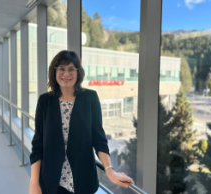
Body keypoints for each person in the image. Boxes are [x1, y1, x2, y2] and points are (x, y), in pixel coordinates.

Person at [29, 50, 135, 194]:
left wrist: (110, 171)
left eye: (71, 69)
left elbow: (99, 139)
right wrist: (34, 184)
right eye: (61, 68)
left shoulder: (90, 98)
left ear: (78, 72)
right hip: (51, 182)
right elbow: (38, 144)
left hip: (83, 182)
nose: (66, 74)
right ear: (54, 71)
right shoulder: (44, 101)